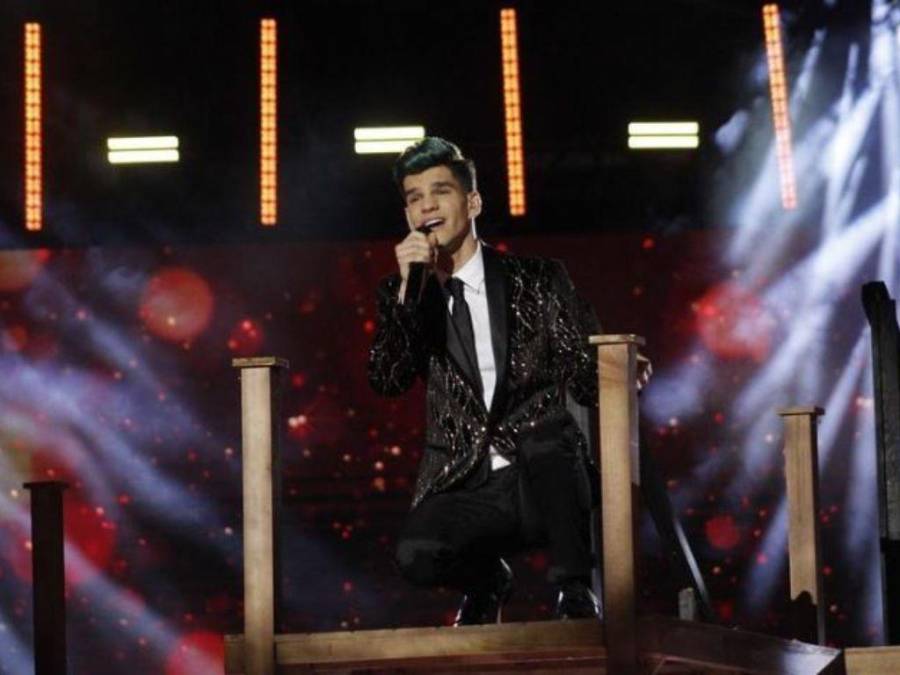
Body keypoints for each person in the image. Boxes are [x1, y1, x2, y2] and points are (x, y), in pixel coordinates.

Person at [368, 136, 604, 625]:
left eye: (440, 192)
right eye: (414, 198)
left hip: (542, 476)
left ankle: (576, 588)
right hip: (465, 479)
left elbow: (586, 375)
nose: (427, 206)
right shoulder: (403, 292)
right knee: (415, 554)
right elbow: (388, 379)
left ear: (472, 202)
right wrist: (410, 289)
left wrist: (620, 366)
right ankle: (488, 581)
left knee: (548, 439)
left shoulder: (538, 280)